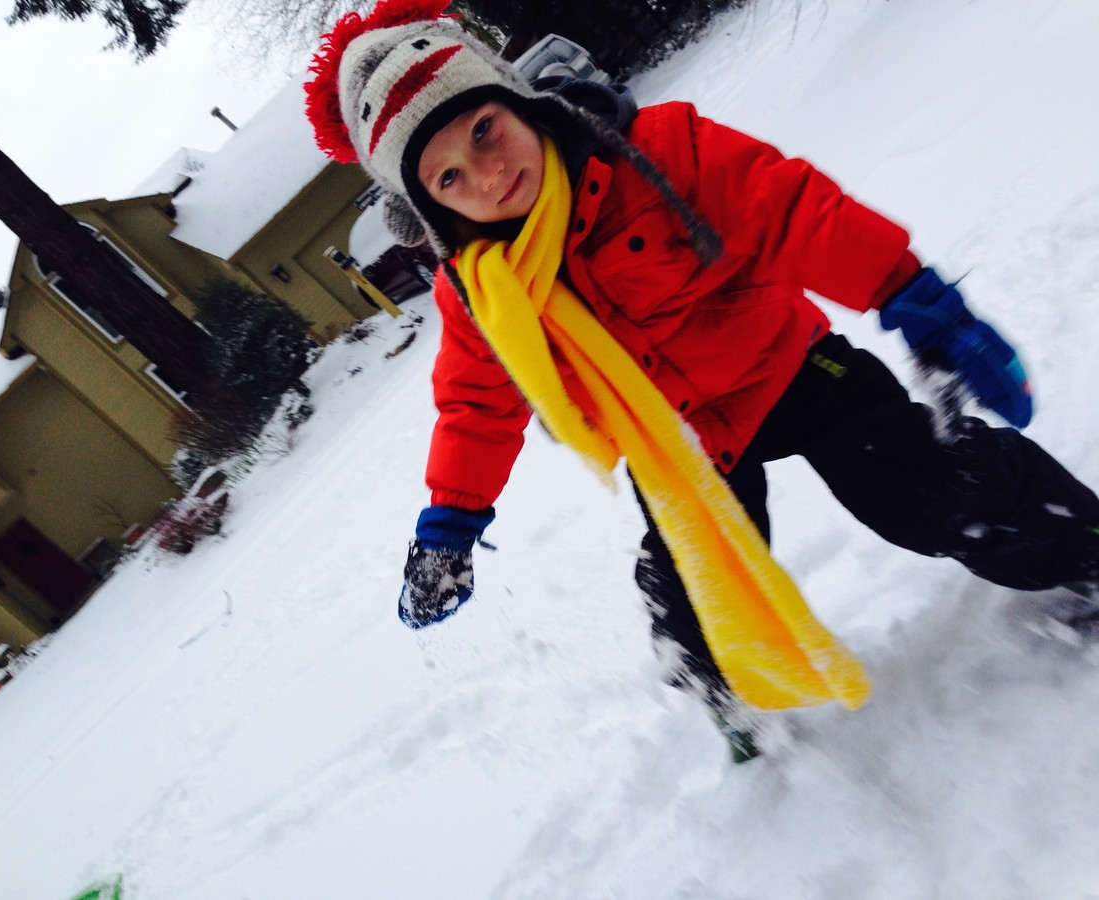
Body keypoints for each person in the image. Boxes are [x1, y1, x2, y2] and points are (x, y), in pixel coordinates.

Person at [305, 0, 1099, 762]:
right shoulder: (484, 292)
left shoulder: (654, 153)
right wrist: (450, 520)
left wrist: (907, 291)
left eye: (484, 130)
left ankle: (1081, 548)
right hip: (678, 445)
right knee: (697, 599)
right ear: (432, 211)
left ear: (519, 101)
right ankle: (730, 696)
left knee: (931, 498)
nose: (485, 172)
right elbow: (476, 406)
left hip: (790, 373)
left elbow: (792, 210)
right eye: (447, 178)